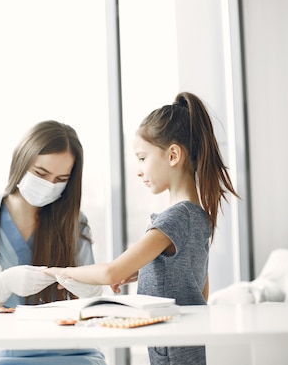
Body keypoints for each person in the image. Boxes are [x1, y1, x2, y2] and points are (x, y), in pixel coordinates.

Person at [46, 92, 240, 365]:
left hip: (170, 349)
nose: (138, 171)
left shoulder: (174, 218)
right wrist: (144, 272)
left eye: (141, 158)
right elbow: (198, 288)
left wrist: (61, 271)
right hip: (189, 344)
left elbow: (112, 271)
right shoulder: (198, 217)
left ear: (173, 155)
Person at [0, 120, 107, 365]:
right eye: (41, 174)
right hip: (6, 354)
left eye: (60, 179)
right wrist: (2, 285)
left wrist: (91, 293)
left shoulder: (74, 222)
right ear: (21, 160)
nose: (48, 185)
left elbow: (88, 310)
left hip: (74, 351)